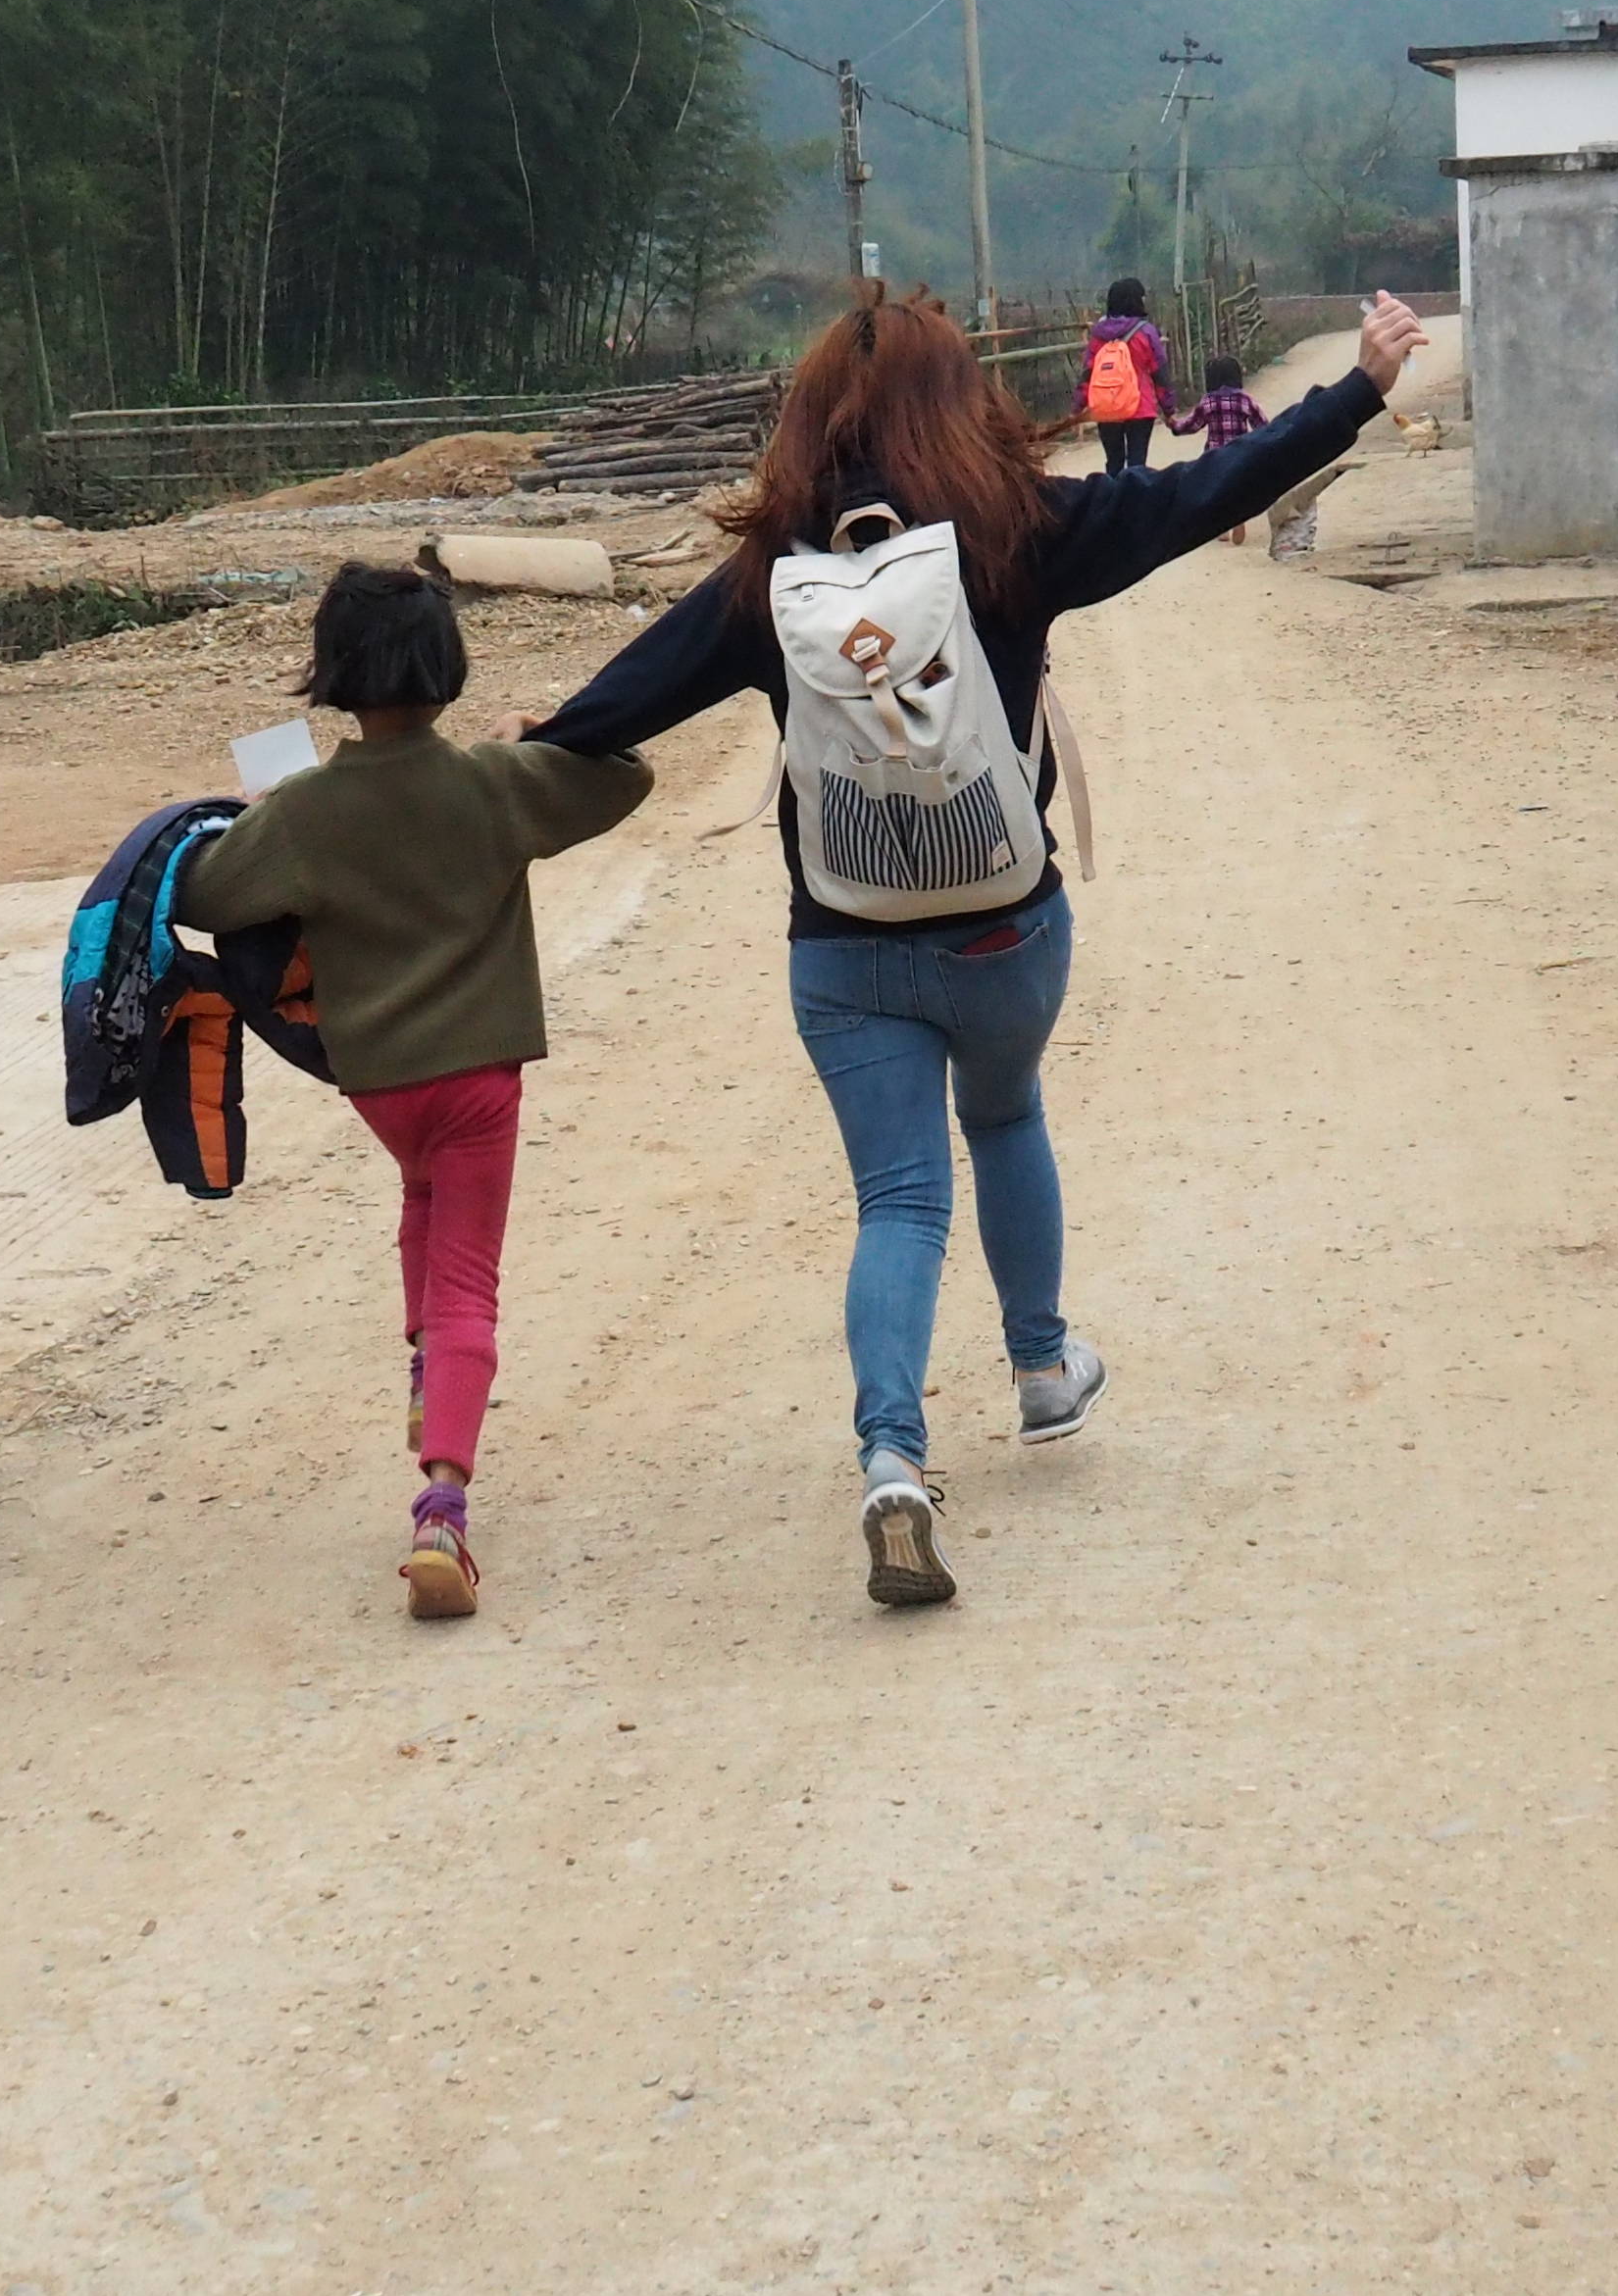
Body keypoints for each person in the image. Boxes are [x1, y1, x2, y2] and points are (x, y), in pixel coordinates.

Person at [531, 284, 1421, 1608]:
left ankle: (893, 1461)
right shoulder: (1021, 534)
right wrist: (1357, 388)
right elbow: (1203, 489)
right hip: (1007, 929)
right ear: (967, 405)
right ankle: (1044, 1371)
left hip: (841, 943)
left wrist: (451, 791)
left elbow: (599, 718)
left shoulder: (766, 586)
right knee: (1003, 1119)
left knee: (899, 1199)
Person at [177, 562, 653, 1620]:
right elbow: (625, 779)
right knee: (468, 1280)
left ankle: (421, 1371)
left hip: (377, 1080)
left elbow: (208, 890)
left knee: (421, 1204)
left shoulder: (305, 810)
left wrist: (261, 816)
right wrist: (558, 730)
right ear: (450, 668)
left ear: (333, 674)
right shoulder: (497, 781)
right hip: (480, 1071)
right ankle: (441, 1507)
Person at [1078, 275, 1170, 474]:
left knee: (1113, 464)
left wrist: (1077, 407)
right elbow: (1160, 372)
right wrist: (1168, 409)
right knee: (1137, 466)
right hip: (1139, 407)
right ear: (1136, 300)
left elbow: (1088, 372)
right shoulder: (1146, 332)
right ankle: (1135, 503)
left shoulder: (1098, 334)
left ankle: (1114, 503)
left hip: (1106, 409)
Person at [1185, 353, 1268, 542]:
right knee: (1239, 486)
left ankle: (1221, 527)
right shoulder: (1244, 400)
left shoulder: (1208, 402)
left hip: (1215, 455)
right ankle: (1239, 518)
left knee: (1217, 489)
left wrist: (1173, 425)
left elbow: (1191, 425)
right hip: (1242, 453)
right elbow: (1262, 425)